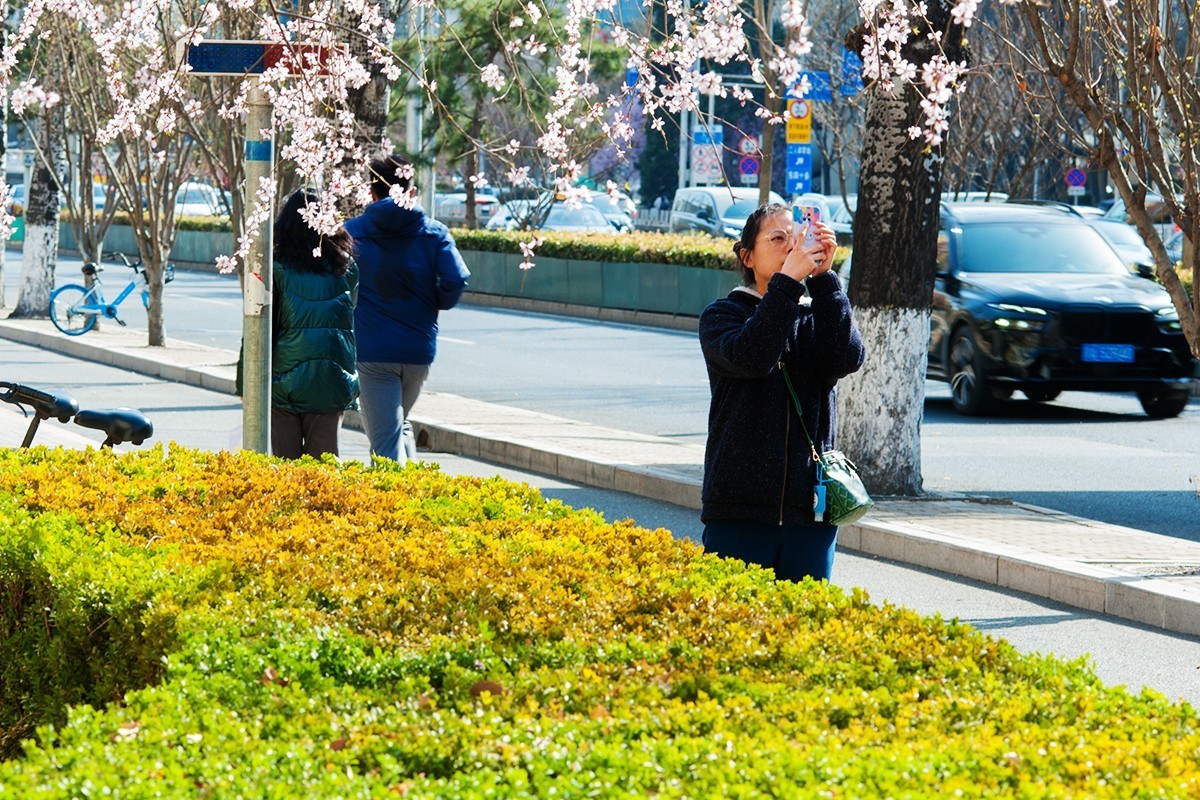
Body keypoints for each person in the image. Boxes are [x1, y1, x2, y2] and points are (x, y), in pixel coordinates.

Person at [698, 203, 865, 582]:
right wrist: (787, 283)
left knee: (804, 628)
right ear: (747, 256)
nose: (792, 248)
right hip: (739, 511)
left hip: (811, 512)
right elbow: (753, 356)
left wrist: (824, 280)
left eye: (797, 238)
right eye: (777, 239)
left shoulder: (814, 315)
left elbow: (846, 359)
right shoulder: (722, 316)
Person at [345, 153, 470, 463]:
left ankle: (397, 507)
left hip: (373, 351)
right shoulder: (434, 232)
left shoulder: (352, 232)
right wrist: (436, 302)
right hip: (418, 349)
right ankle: (415, 489)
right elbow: (457, 279)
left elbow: (337, 284)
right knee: (398, 427)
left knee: (385, 444)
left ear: (371, 192)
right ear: (410, 190)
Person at [269, 188, 360, 459]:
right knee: (323, 469)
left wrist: (245, 382)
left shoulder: (275, 266)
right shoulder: (346, 267)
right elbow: (347, 311)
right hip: (330, 378)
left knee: (286, 470)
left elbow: (261, 328)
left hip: (284, 380)